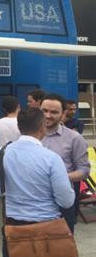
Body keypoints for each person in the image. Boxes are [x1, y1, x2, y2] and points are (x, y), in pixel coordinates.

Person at [0, 107, 75, 257]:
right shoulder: (51, 158)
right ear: (43, 127)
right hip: (48, 228)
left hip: (14, 225)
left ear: (19, 127)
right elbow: (66, 200)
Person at [40, 93, 90, 234]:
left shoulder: (74, 138)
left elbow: (84, 170)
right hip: (33, 202)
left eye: (54, 112)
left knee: (60, 245)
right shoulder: (27, 136)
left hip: (61, 202)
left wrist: (60, 177)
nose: (48, 115)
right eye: (44, 111)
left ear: (63, 114)